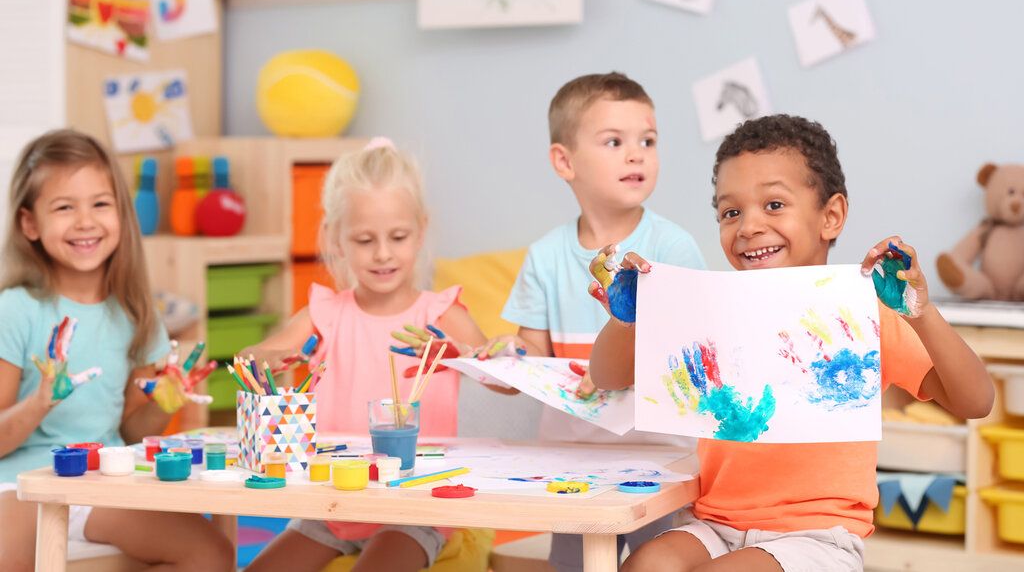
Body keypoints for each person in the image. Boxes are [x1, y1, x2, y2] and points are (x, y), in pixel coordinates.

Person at [588, 114, 994, 571]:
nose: (748, 227)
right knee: (644, 565)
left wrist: (922, 314)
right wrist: (626, 319)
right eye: (731, 211)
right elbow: (607, 378)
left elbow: (976, 401)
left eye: (774, 205)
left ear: (831, 216)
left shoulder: (862, 312)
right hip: (713, 524)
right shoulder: (708, 306)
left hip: (817, 537)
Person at [244, 139, 491, 572]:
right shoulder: (324, 313)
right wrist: (270, 356)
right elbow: (254, 357)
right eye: (363, 239)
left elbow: (499, 376)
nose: (382, 253)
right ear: (334, 238)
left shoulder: (441, 314)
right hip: (335, 503)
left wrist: (474, 355)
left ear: (421, 230)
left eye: (398, 237)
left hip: (414, 504)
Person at [497, 72, 706, 571]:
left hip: (662, 459)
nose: (637, 154)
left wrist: (616, 368)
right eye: (614, 141)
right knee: (572, 566)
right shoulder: (545, 257)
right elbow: (533, 355)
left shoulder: (673, 249)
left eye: (648, 141)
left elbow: (694, 356)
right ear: (564, 162)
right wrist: (507, 358)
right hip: (573, 462)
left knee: (661, 563)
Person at [0, 129, 234, 571]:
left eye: (100, 204)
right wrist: (41, 401)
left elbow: (131, 432)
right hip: (20, 482)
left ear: (123, 215)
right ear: (30, 223)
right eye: (65, 207)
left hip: (102, 480)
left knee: (212, 552)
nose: (85, 221)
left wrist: (165, 403)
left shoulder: (135, 315)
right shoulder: (16, 310)